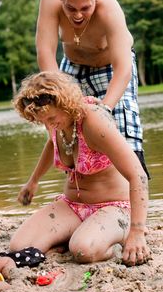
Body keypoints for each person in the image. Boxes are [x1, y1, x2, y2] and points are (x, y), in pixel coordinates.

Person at [9, 71, 150, 267]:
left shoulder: (93, 120)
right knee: (20, 247)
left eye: (51, 118)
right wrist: (33, 181)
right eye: (42, 121)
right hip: (72, 205)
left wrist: (137, 231)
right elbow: (52, 144)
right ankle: (79, 233)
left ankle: (112, 238)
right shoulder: (55, 121)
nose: (48, 125)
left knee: (84, 250)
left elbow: (138, 175)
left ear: (65, 103)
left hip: (114, 206)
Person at [35, 0, 149, 178]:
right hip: (71, 67)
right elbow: (45, 53)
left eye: (85, 8)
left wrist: (105, 108)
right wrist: (60, 96)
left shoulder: (109, 10)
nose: (77, 15)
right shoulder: (50, 1)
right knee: (63, 126)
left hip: (110, 68)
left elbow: (123, 68)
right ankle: (80, 189)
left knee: (121, 131)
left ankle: (134, 190)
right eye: (71, 8)